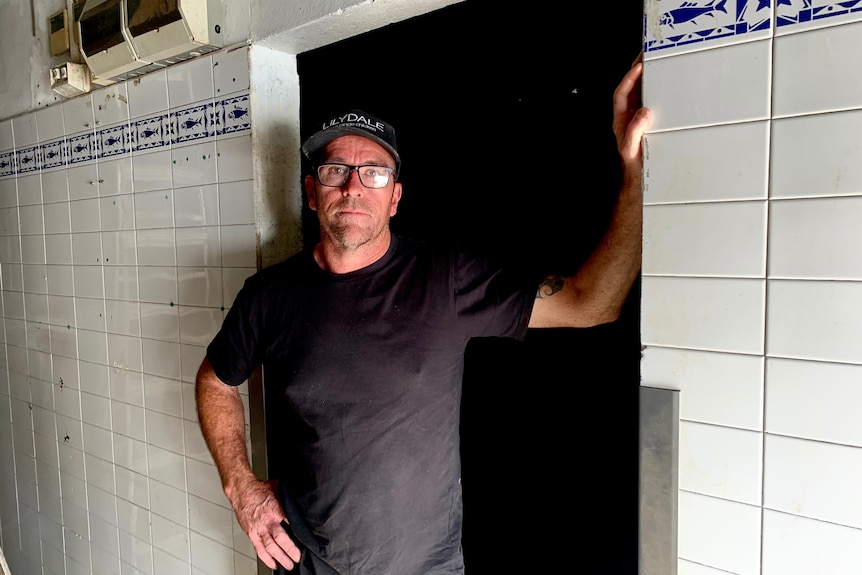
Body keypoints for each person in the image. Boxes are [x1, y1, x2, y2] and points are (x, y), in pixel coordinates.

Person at [195, 54, 651, 574]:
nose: (353, 187)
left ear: (395, 198)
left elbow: (591, 304)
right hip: (308, 565)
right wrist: (241, 487)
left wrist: (634, 175)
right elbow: (215, 380)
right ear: (311, 193)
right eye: (334, 171)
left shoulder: (445, 279)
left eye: (374, 173)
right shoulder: (270, 295)